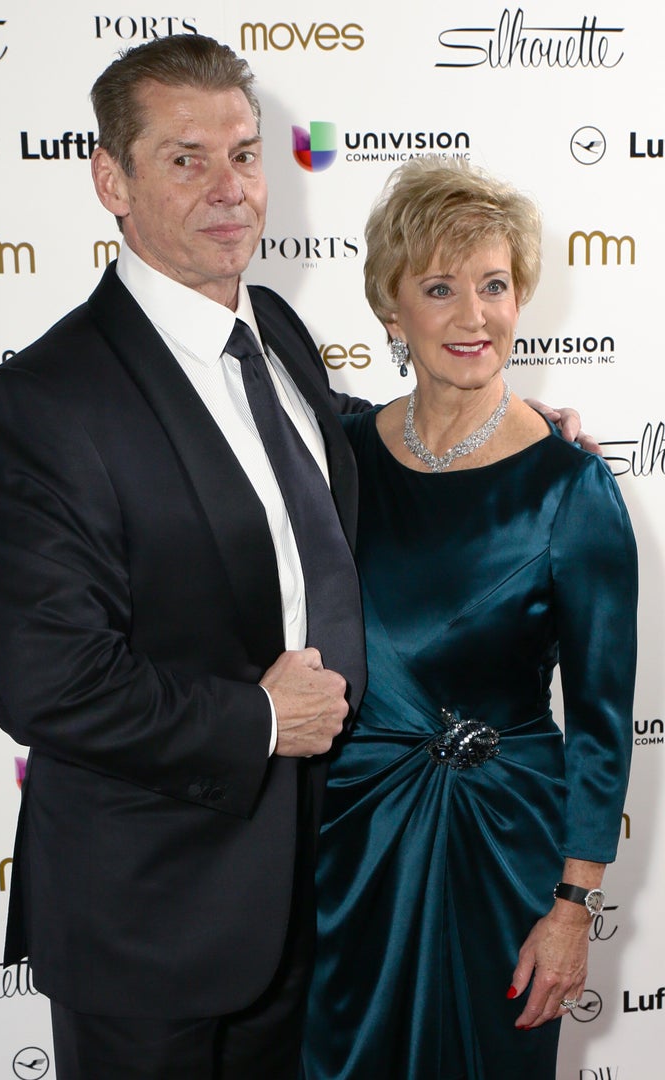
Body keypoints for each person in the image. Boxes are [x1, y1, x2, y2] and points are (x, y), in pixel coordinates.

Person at [0, 34, 588, 1080]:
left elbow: (337, 441)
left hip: (316, 889)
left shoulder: (275, 330)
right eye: (185, 158)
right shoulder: (38, 406)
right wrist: (257, 717)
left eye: (244, 154)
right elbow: (49, 684)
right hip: (152, 924)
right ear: (111, 178)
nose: (230, 188)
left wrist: (496, 432)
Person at [301, 158, 637, 1080]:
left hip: (503, 843)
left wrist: (573, 909)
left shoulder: (571, 485)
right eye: (440, 288)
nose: (473, 316)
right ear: (391, 308)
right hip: (351, 832)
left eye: (494, 285)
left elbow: (605, 724)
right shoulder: (337, 457)